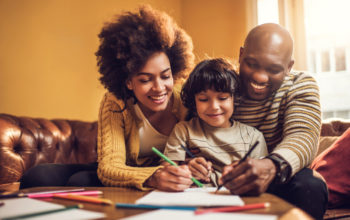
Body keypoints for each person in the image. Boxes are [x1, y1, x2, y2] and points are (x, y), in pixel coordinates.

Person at [20, 5, 195, 191]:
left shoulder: (188, 100)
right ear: (128, 81)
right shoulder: (115, 102)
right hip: (125, 171)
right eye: (145, 79)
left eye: (165, 76)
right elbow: (110, 167)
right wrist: (153, 176)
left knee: (80, 182)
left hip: (172, 177)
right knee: (37, 176)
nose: (159, 88)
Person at [218, 23, 328, 220]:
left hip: (280, 178)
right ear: (241, 54)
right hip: (222, 178)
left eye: (274, 69)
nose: (260, 77)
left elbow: (302, 136)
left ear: (289, 67)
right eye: (251, 64)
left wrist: (270, 167)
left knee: (311, 185)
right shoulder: (220, 87)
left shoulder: (301, 84)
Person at [163, 58, 267, 186]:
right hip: (191, 198)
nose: (214, 106)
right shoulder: (183, 131)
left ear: (234, 98)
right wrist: (186, 169)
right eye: (203, 99)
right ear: (194, 101)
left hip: (236, 199)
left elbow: (260, 179)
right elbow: (167, 171)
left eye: (222, 98)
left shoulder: (253, 137)